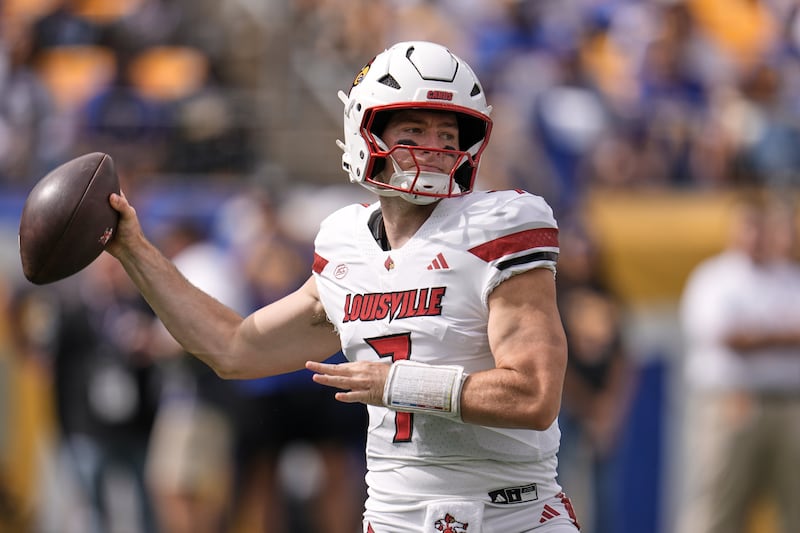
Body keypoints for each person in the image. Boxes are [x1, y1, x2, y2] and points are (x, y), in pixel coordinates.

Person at [105, 41, 579, 532]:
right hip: (395, 520)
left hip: (510, 516)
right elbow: (232, 348)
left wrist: (397, 383)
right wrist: (135, 251)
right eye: (414, 129)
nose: (433, 148)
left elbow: (534, 395)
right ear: (365, 130)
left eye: (447, 132)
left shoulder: (498, 226)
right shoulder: (346, 245)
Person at [676, 192, 800, 533]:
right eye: (750, 226)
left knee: (793, 508)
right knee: (718, 505)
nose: (757, 235)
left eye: (763, 226)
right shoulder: (714, 278)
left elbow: (747, 337)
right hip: (732, 403)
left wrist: (760, 336)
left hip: (789, 405)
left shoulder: (789, 277)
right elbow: (730, 338)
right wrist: (784, 336)